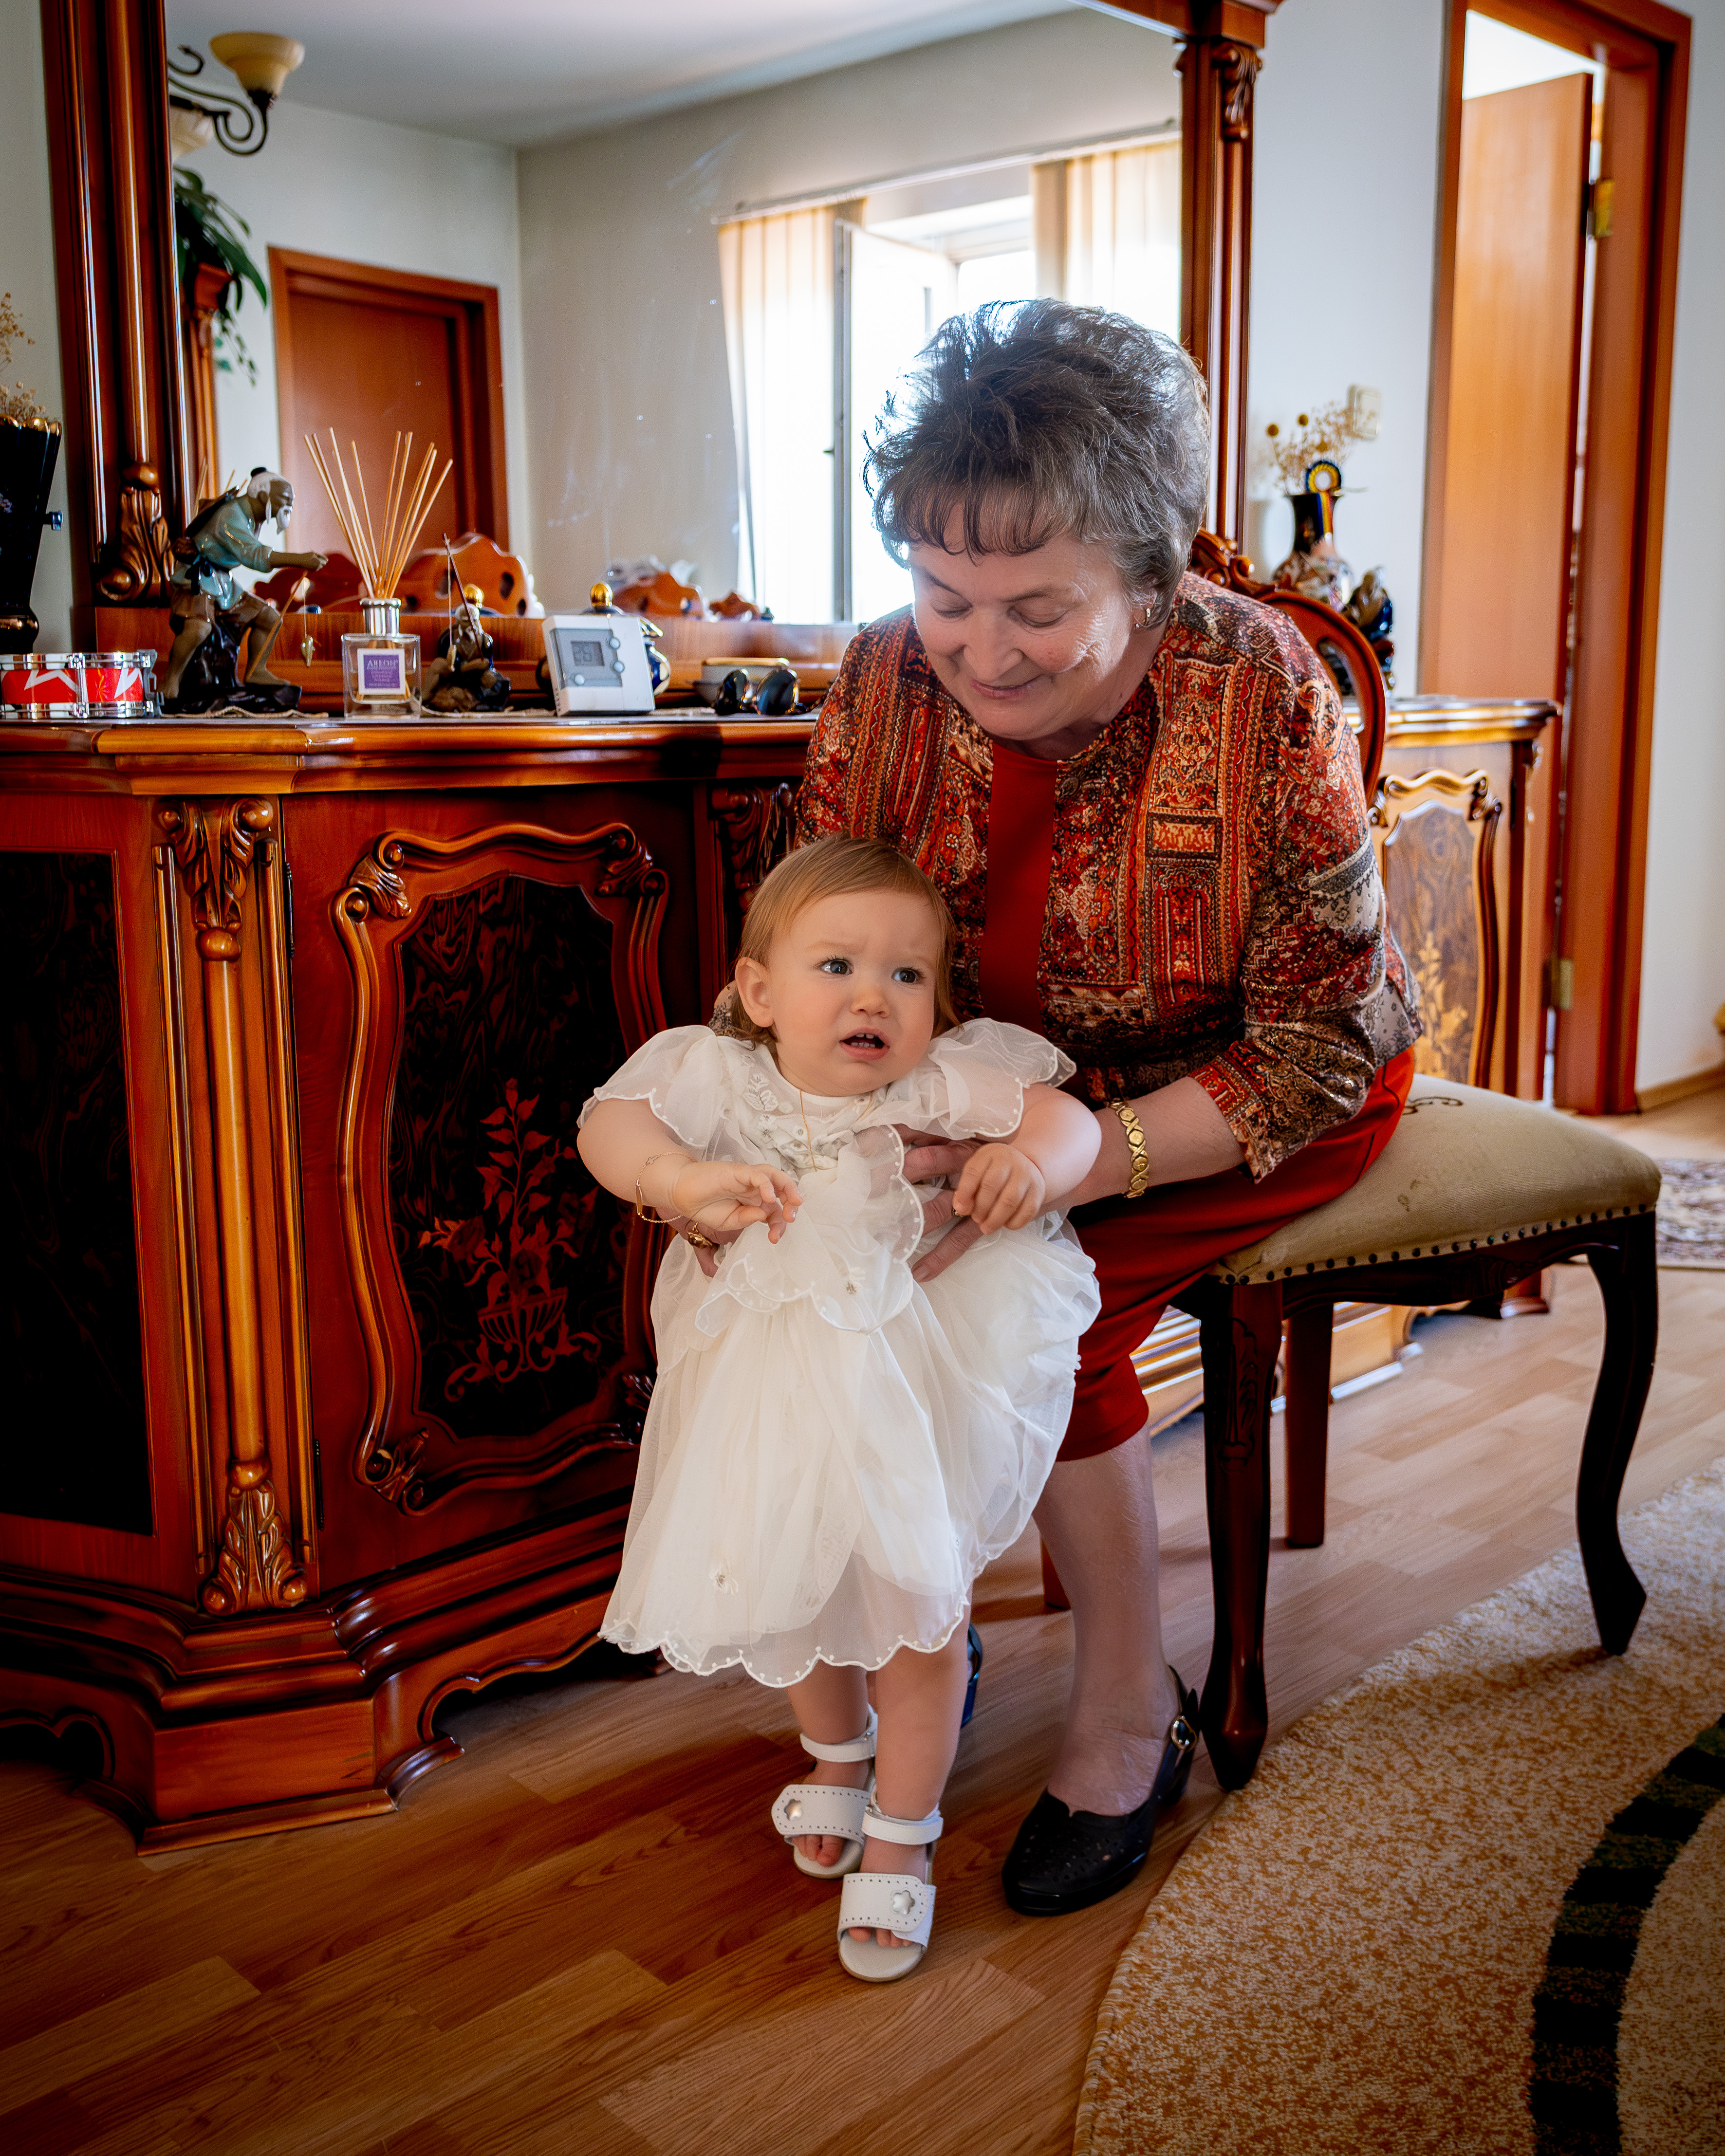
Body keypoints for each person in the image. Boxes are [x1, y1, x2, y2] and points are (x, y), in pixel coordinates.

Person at [796, 300, 1421, 1916]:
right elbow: (821, 934)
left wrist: (1086, 1154)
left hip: (1254, 1084)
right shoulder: (876, 680)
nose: (980, 649)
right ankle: (920, 1624)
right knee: (837, 1263)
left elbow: (1321, 1035)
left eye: (1037, 607)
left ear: (1145, 574)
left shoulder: (1260, 684)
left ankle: (1130, 1711)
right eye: (943, 595)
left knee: (1033, 1291)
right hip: (989, 1085)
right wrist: (877, 1120)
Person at [575, 836, 1102, 1981]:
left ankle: (905, 1832)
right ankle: (836, 1749)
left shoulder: (938, 1080)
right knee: (793, 1583)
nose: (874, 995)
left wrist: (1034, 1161)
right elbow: (609, 1125)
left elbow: (1063, 1115)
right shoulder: (716, 1073)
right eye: (836, 966)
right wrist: (678, 1179)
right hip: (764, 1392)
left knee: (914, 1610)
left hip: (909, 1393)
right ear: (759, 990)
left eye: (907, 975)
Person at [162, 468, 327, 712]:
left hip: (223, 582)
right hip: (198, 577)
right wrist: (299, 559)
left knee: (270, 618)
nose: (288, 506)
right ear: (262, 495)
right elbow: (253, 555)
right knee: (198, 628)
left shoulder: (254, 517)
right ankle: (171, 680)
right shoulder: (231, 514)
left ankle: (256, 671)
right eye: (283, 500)